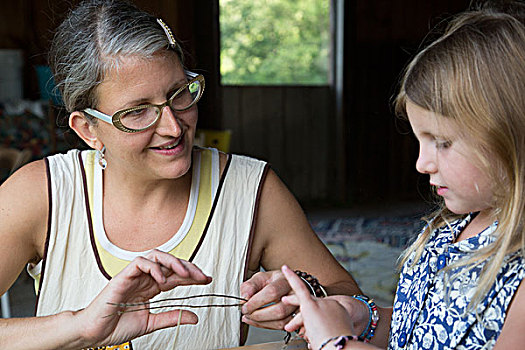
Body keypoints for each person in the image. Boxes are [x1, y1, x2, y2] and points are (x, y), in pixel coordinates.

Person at [0, 0, 362, 348]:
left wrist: (308, 294)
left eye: (179, 94)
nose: (173, 126)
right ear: (88, 130)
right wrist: (79, 328)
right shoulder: (43, 193)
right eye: (138, 112)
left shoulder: (252, 191)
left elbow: (357, 306)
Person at [279, 2, 525, 349]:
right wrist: (364, 319)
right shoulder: (447, 232)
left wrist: (337, 344)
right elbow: (422, 334)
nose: (422, 164)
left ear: (512, 136)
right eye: (420, 140)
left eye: (442, 142)